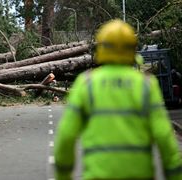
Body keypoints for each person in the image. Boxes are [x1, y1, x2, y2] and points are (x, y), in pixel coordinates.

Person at [54, 19, 182, 180]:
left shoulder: (86, 84)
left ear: (101, 48)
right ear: (132, 50)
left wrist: (63, 175)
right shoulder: (146, 85)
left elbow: (66, 136)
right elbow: (165, 138)